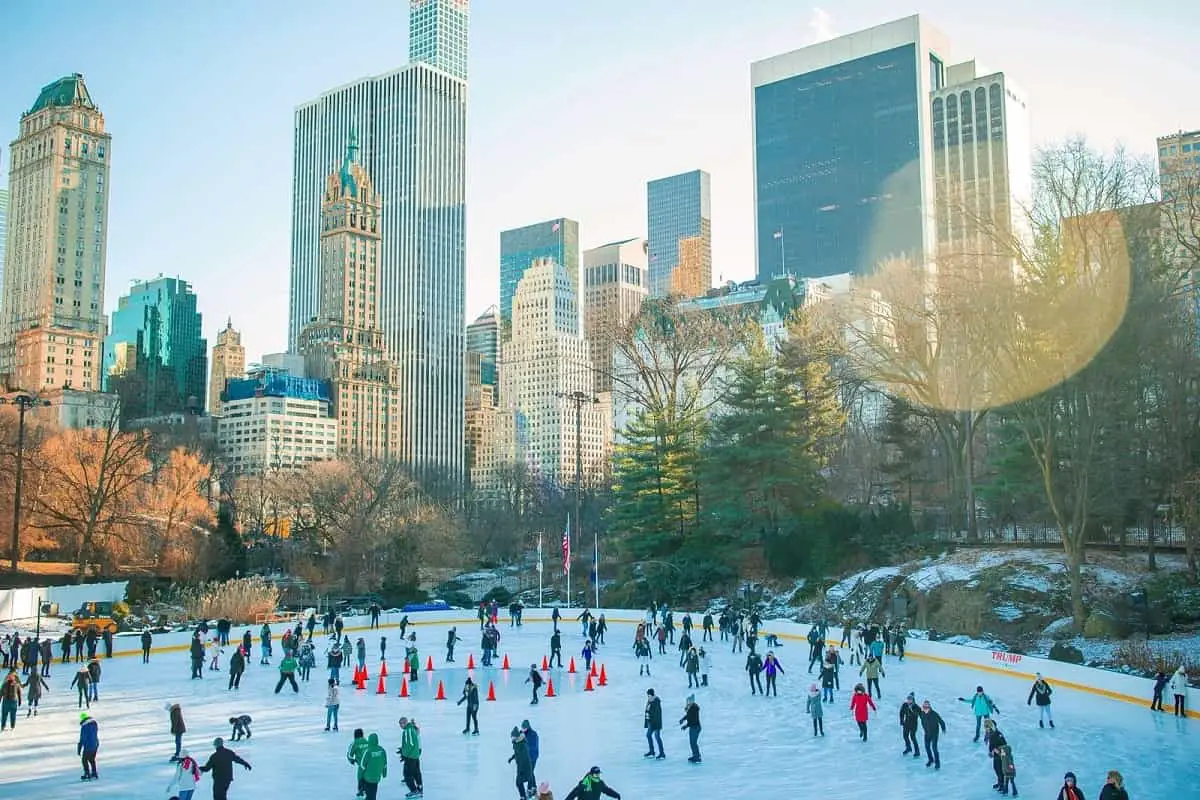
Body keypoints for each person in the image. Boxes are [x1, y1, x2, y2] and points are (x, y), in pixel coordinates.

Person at [508, 726, 537, 800]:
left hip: (525, 768)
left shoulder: (522, 745)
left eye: (512, 737)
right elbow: (517, 753)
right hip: (522, 768)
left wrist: (521, 770)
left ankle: (526, 794)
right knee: (520, 782)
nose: (512, 738)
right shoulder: (517, 743)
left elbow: (524, 759)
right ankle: (524, 795)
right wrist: (512, 758)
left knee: (519, 782)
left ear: (516, 736)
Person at [398, 716, 423, 797]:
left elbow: (410, 744)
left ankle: (414, 790)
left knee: (407, 774)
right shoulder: (411, 729)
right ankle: (419, 787)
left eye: (401, 724)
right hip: (415, 755)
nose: (400, 726)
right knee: (416, 772)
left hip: (411, 756)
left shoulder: (407, 731)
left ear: (404, 723)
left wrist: (404, 754)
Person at [359, 732, 388, 800]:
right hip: (377, 777)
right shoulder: (382, 750)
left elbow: (362, 765)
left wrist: (360, 776)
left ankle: (363, 791)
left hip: (368, 777)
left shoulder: (368, 751)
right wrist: (384, 774)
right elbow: (385, 764)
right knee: (373, 792)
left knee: (370, 795)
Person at [919, 699, 946, 769]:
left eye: (926, 707)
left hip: (934, 733)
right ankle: (930, 760)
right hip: (927, 733)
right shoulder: (921, 713)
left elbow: (941, 721)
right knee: (927, 747)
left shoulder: (934, 714)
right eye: (924, 707)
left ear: (929, 707)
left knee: (934, 748)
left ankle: (937, 763)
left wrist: (943, 728)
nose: (925, 709)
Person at [347, 728, 370, 798]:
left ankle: (361, 791)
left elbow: (349, 755)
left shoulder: (354, 743)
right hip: (370, 762)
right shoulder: (367, 741)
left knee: (360, 777)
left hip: (361, 764)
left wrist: (352, 760)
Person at [679, 694, 702, 763]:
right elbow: (688, 716)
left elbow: (693, 720)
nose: (687, 702)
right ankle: (695, 755)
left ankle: (697, 757)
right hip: (693, 727)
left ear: (692, 701)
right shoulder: (690, 707)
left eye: (688, 701)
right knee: (692, 743)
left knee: (693, 743)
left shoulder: (694, 709)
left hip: (695, 727)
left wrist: (685, 726)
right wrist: (683, 719)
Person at [78, 711, 100, 781]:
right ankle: (94, 773)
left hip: (88, 746)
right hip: (95, 744)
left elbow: (82, 738)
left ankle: (87, 773)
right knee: (91, 759)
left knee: (84, 760)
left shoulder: (84, 727)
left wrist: (79, 748)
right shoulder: (94, 724)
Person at [644, 688, 665, 758]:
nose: (647, 697)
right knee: (648, 735)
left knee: (657, 737)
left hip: (656, 723)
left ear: (651, 695)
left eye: (648, 695)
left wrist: (655, 724)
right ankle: (652, 751)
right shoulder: (650, 701)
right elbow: (647, 711)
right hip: (651, 723)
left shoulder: (656, 702)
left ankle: (662, 753)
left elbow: (657, 714)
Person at [900, 693, 921, 757]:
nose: (909, 701)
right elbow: (901, 712)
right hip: (906, 723)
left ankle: (917, 751)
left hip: (913, 724)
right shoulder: (905, 705)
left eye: (910, 699)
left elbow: (919, 715)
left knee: (912, 737)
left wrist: (912, 710)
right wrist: (901, 720)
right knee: (905, 736)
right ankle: (908, 748)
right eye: (908, 699)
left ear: (913, 700)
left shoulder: (917, 707)